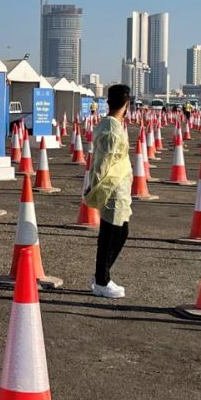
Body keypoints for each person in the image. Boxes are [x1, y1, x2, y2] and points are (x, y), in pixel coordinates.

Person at [83, 83, 134, 299]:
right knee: (110, 234)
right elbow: (103, 162)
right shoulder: (111, 129)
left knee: (120, 232)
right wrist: (95, 186)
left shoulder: (111, 125)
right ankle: (102, 279)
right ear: (127, 104)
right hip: (111, 188)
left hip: (118, 188)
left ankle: (101, 275)